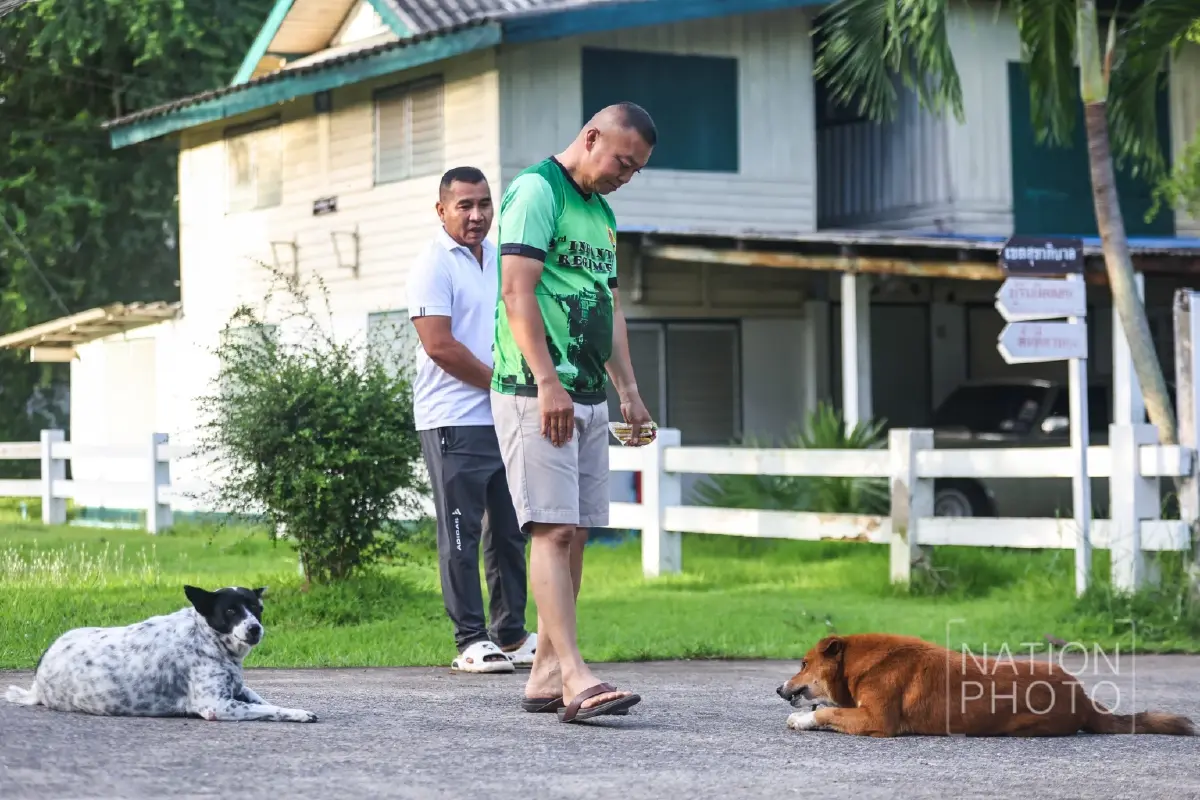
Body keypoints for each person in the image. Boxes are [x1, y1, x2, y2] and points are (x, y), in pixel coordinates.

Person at [490, 102, 657, 723]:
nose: (626, 176)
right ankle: (575, 677)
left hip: (586, 394)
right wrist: (546, 381)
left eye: (636, 169)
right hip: (536, 393)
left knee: (578, 532)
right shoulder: (538, 192)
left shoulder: (603, 214)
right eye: (622, 161)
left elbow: (608, 308)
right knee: (552, 529)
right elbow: (516, 289)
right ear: (591, 137)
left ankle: (545, 674)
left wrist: (629, 390)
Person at [407, 166, 537, 674]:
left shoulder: (500, 258)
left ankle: (508, 633)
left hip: (503, 416)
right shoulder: (432, 264)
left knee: (509, 531)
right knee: (461, 531)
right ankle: (470, 639)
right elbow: (440, 346)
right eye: (465, 205)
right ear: (441, 210)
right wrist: (502, 384)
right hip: (452, 420)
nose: (477, 215)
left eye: (484, 203)